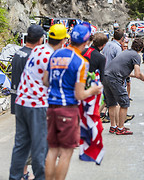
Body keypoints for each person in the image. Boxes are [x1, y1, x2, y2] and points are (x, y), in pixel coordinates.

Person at [43, 24, 103, 180]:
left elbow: (45, 81)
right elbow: (79, 94)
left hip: (51, 107)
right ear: (85, 43)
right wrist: (93, 90)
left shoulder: (55, 55)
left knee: (52, 150)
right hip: (67, 110)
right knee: (66, 152)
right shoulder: (81, 62)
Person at [9, 25, 47, 180]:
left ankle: (20, 174)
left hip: (17, 99)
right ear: (40, 39)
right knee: (34, 142)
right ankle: (32, 174)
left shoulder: (18, 53)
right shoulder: (33, 55)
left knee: (21, 142)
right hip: (30, 100)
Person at [104, 38, 144, 135]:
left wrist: (137, 75)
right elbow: (137, 73)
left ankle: (113, 126)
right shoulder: (136, 56)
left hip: (106, 76)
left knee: (112, 103)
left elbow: (124, 71)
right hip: (115, 78)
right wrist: (142, 77)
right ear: (141, 48)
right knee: (124, 102)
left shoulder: (126, 52)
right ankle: (120, 128)